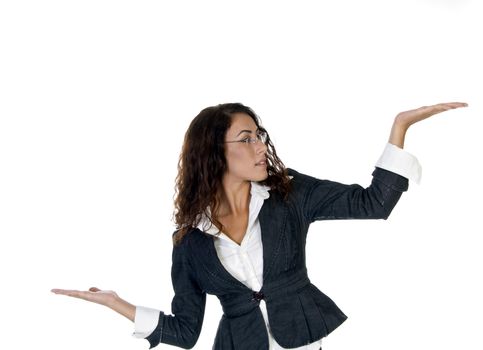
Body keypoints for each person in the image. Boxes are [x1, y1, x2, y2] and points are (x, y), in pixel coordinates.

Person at [51, 101, 467, 349]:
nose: (260, 147)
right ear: (214, 153)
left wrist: (399, 128)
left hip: (303, 337)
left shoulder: (290, 194)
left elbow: (373, 203)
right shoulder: (189, 243)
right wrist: (116, 304)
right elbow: (186, 330)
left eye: (260, 136)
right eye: (246, 138)